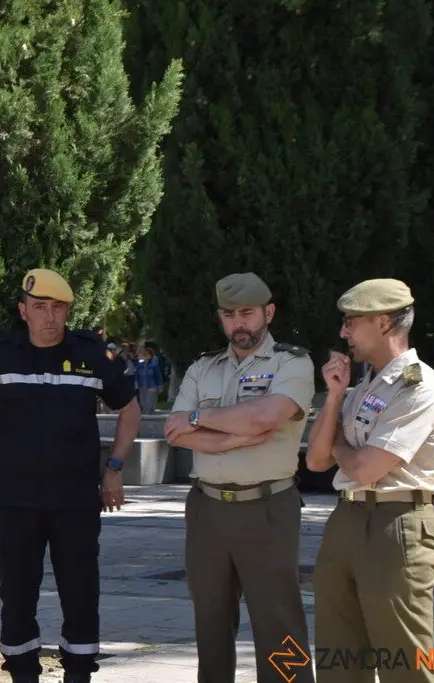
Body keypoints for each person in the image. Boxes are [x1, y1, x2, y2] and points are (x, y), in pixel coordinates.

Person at [0, 268, 141, 683]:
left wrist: (114, 468)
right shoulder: (2, 354)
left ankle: (79, 674)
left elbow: (130, 408)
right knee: (17, 594)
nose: (50, 317)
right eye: (40, 307)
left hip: (76, 499)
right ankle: (23, 674)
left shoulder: (90, 354)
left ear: (68, 311)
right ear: (23, 311)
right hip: (17, 500)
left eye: (58, 308)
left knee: (81, 591)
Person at [163, 272, 315, 683]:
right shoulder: (203, 367)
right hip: (207, 508)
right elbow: (176, 431)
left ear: (269, 312)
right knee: (210, 621)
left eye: (247, 313)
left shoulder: (292, 362)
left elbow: (266, 416)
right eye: (229, 315)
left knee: (279, 621)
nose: (238, 323)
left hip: (267, 507)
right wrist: (239, 434)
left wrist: (201, 420)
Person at [306, 279, 434, 683]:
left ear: (384, 322)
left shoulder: (419, 387)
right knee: (338, 660)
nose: (343, 332)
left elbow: (366, 468)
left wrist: (337, 442)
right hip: (346, 519)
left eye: (351, 321)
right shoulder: (360, 387)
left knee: (403, 663)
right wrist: (334, 399)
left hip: (397, 524)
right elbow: (315, 460)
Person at [134, 345, 164, 415]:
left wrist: (160, 386)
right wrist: (135, 383)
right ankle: (148, 415)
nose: (146, 355)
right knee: (143, 403)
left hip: (152, 386)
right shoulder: (140, 364)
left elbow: (158, 376)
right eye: (145, 354)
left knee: (149, 403)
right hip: (142, 386)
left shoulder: (154, 364)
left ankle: (148, 416)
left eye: (148, 354)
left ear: (151, 355)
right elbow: (136, 375)